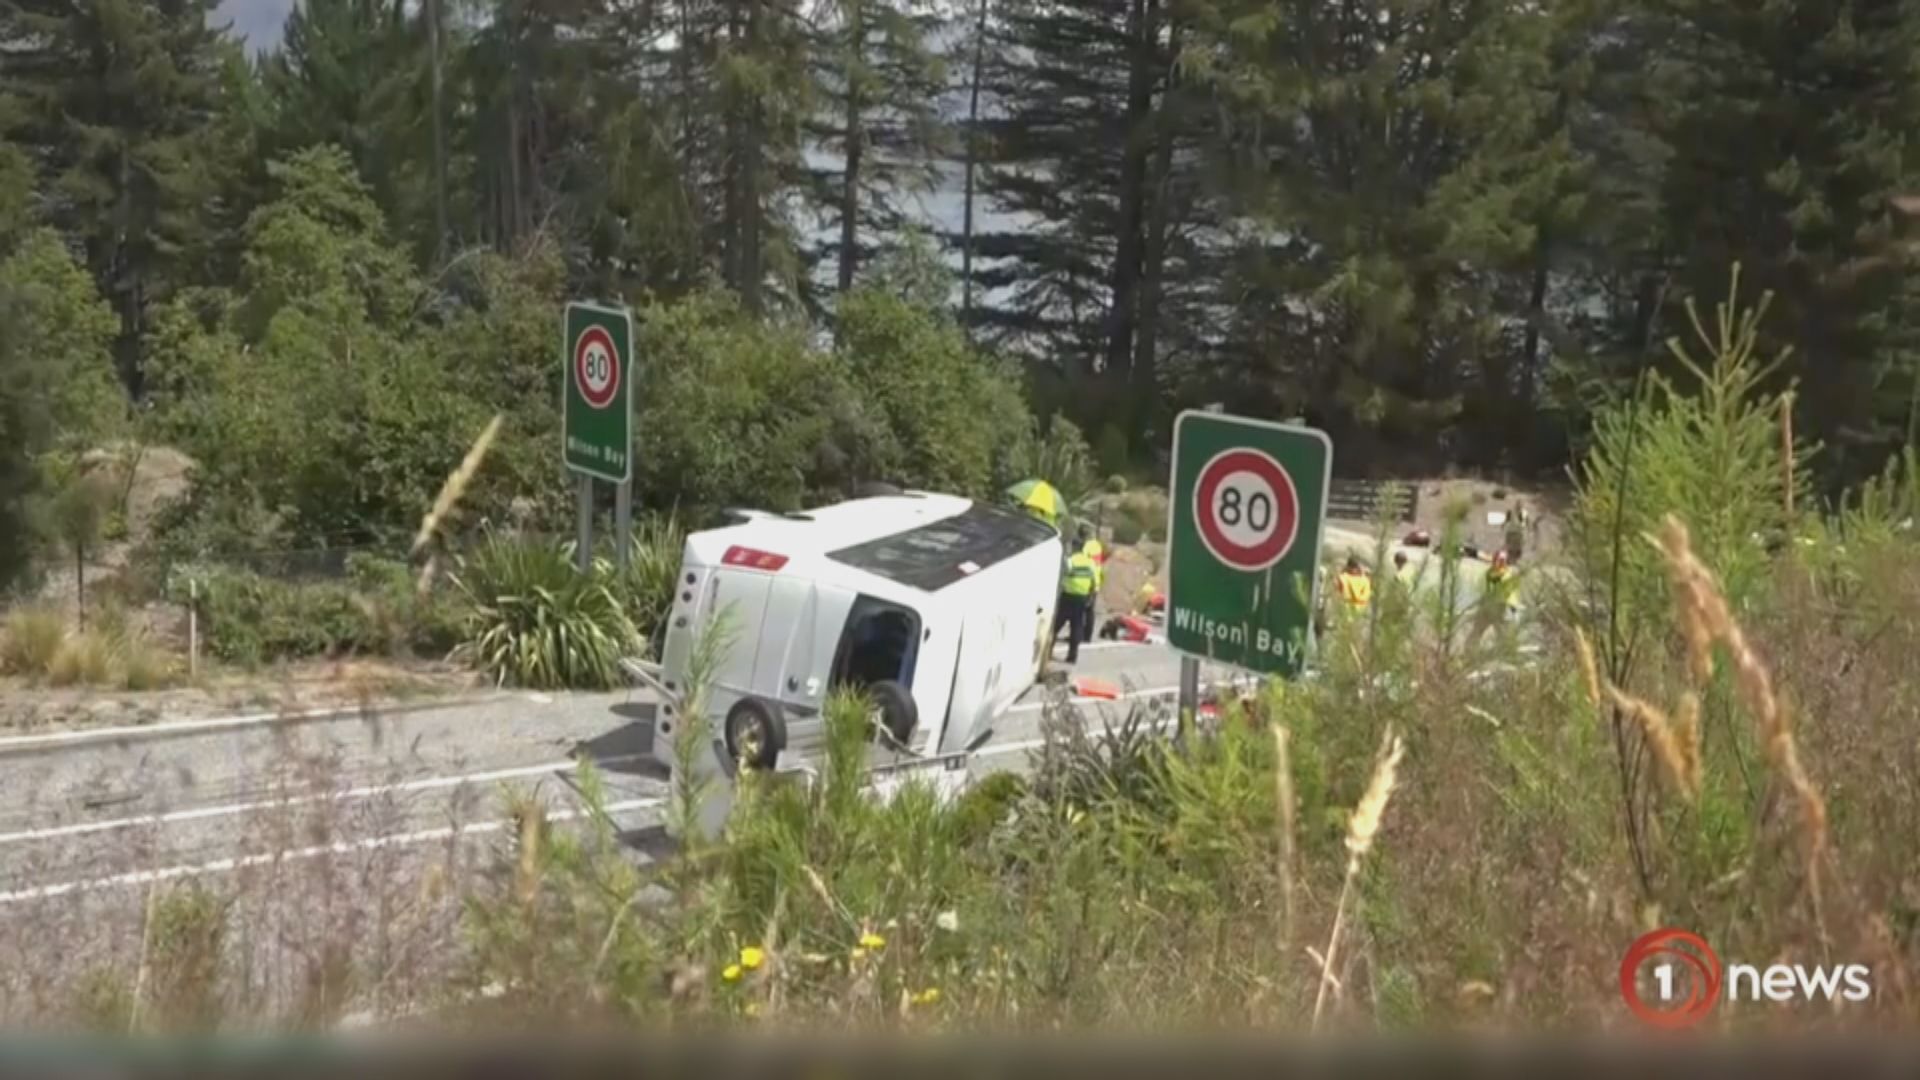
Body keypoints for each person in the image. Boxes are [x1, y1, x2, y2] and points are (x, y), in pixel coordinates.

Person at [1053, 543, 1099, 663]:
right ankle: (1072, 656)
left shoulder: (1071, 560)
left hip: (1068, 596)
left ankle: (1048, 651)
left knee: (1056, 625)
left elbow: (1062, 575)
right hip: (1082, 598)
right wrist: (1091, 597)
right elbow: (1095, 582)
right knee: (1076, 627)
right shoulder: (1091, 563)